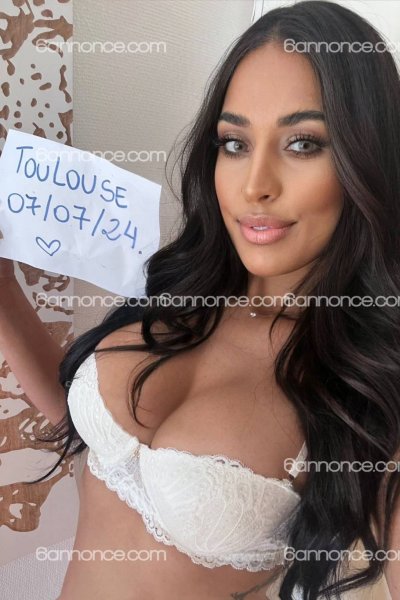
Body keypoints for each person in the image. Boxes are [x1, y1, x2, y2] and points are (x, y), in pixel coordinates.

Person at [0, 1, 399, 598]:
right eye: (234, 143)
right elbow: (100, 447)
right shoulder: (181, 287)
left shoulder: (370, 380)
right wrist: (4, 287)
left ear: (368, 159)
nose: (255, 185)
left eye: (302, 144)